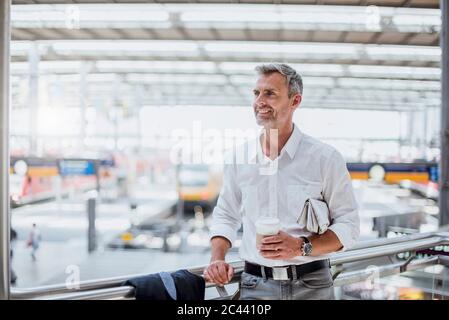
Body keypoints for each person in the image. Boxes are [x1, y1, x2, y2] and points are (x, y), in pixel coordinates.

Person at [203, 63, 360, 300]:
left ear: (295, 101)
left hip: (313, 285)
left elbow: (348, 225)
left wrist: (301, 246)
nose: (259, 101)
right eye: (257, 93)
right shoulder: (239, 158)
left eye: (270, 94)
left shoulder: (325, 158)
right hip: (255, 285)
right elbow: (226, 214)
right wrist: (217, 259)